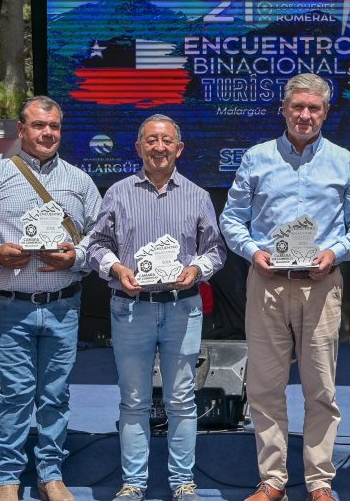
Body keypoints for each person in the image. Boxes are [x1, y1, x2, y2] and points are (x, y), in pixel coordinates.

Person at [220, 73, 350, 501]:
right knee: (265, 387)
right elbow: (231, 219)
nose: (305, 115)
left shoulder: (345, 163)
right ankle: (272, 480)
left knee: (320, 388)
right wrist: (253, 251)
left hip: (321, 285)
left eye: (314, 108)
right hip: (267, 283)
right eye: (298, 107)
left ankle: (319, 482)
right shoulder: (256, 158)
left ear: (326, 112)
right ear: (284, 109)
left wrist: (336, 252)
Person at [0, 96, 102, 501]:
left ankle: (51, 475)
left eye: (54, 126)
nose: (47, 133)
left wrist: (76, 255)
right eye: (39, 126)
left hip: (63, 304)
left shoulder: (79, 180)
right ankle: (7, 478)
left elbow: (101, 235)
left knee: (56, 394)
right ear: (21, 130)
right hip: (10, 304)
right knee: (15, 393)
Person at [87, 115, 226, 501]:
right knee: (133, 400)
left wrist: (197, 269)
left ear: (179, 148)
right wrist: (115, 268)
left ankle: (183, 484)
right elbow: (95, 246)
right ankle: (133, 484)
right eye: (151, 140)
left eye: (166, 141)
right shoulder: (117, 193)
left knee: (181, 399)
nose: (159, 147)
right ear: (139, 147)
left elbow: (216, 250)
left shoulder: (198, 195)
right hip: (131, 308)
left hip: (182, 308)